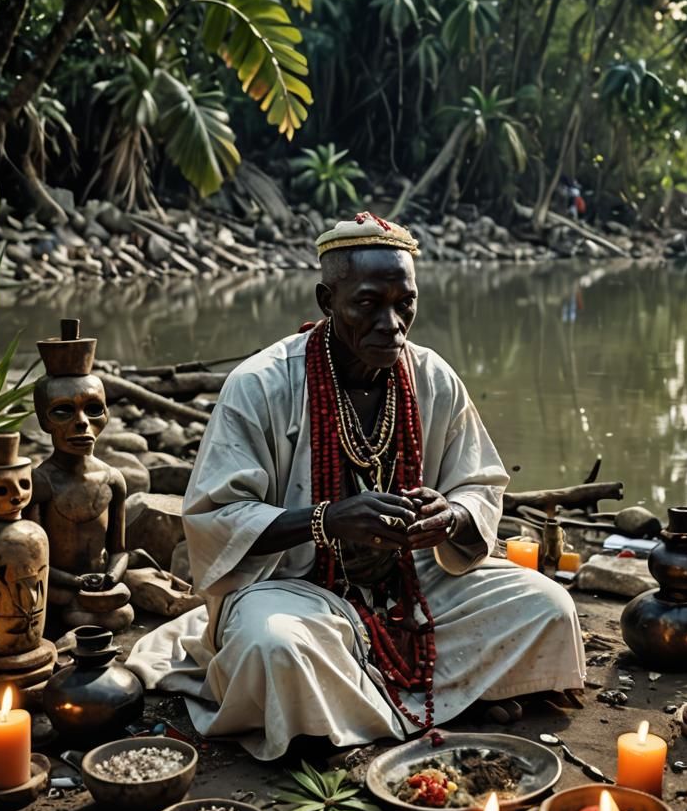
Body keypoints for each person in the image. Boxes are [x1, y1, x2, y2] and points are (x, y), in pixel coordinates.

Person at [126, 212, 586, 759]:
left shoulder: (430, 375)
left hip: (413, 583)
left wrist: (452, 516)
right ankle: (451, 698)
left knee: (548, 605)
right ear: (327, 300)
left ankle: (353, 710)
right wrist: (328, 520)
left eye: (404, 302)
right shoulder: (260, 385)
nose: (392, 323)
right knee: (272, 647)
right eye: (368, 303)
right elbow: (214, 517)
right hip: (293, 589)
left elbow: (479, 483)